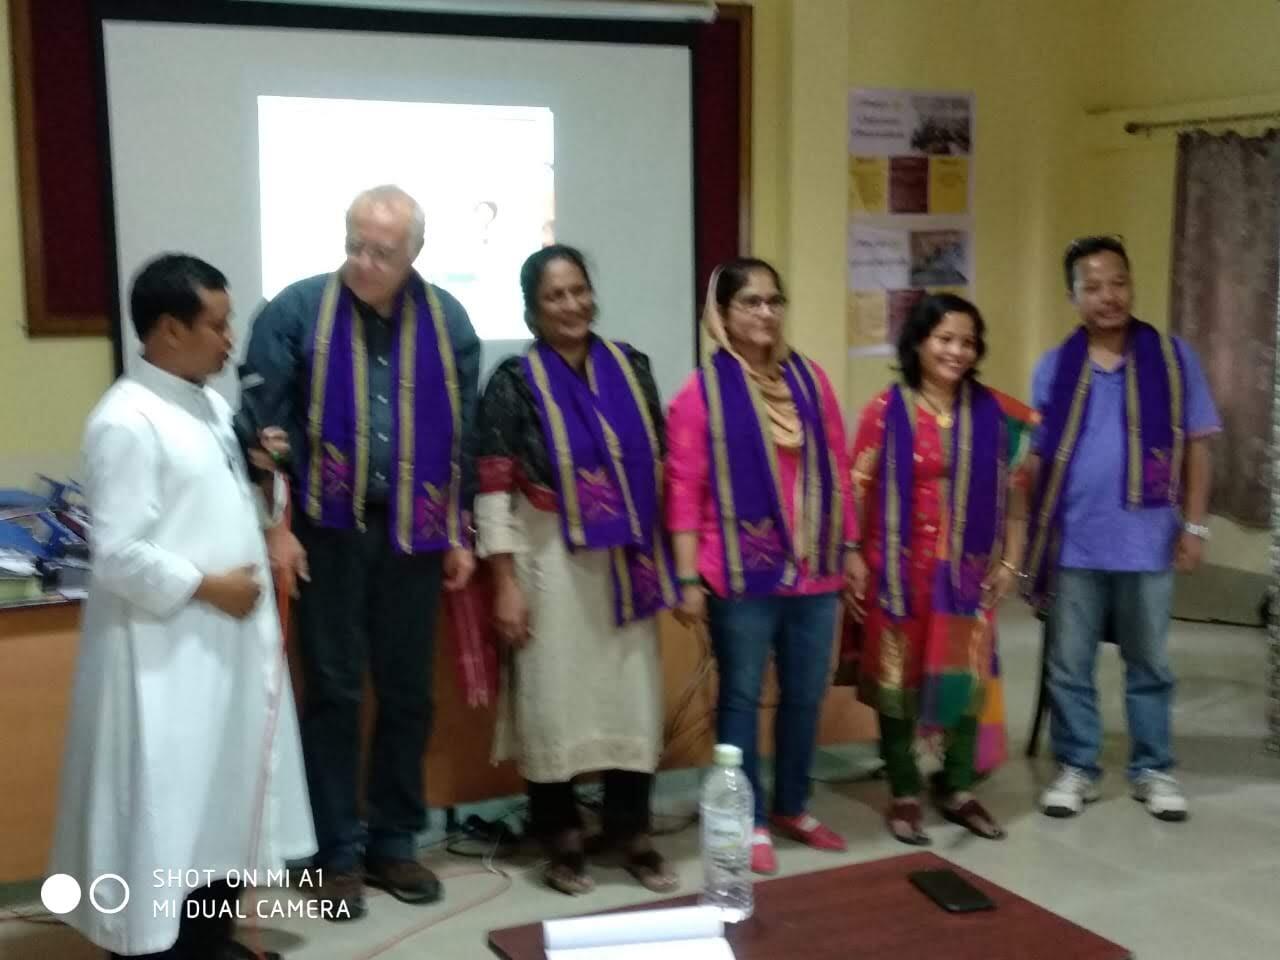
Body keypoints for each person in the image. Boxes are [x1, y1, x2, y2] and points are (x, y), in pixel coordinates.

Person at [49, 254, 315, 959]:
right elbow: (116, 553)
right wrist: (208, 586)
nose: (231, 340)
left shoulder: (210, 405)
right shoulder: (126, 421)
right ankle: (154, 945)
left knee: (218, 799)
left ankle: (207, 936)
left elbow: (222, 502)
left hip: (221, 648)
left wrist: (263, 473)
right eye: (218, 325)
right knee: (168, 804)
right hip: (162, 656)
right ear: (169, 328)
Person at [239, 185, 479, 917]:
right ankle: (335, 851)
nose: (364, 263)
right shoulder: (296, 311)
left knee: (407, 691)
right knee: (335, 691)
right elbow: (262, 432)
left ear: (415, 253)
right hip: (325, 529)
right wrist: (276, 528)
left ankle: (395, 841)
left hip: (416, 532)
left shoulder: (448, 320)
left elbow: (462, 435)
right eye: (355, 246)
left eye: (383, 252)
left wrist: (459, 530)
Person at [473, 245, 678, 896]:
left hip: (625, 564)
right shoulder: (513, 382)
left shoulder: (632, 368)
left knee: (631, 698)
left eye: (579, 290)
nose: (572, 305)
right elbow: (492, 486)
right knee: (552, 701)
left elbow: (660, 462)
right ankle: (559, 838)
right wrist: (504, 582)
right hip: (547, 562)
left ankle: (630, 831)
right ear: (532, 310)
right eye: (555, 295)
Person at [665, 257, 863, 876]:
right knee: (742, 696)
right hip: (739, 574)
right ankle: (744, 817)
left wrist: (851, 548)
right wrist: (687, 577)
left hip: (814, 570)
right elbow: (683, 488)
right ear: (721, 314)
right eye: (750, 302)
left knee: (805, 693)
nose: (766, 312)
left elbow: (837, 467)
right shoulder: (702, 392)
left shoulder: (810, 381)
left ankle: (793, 805)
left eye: (774, 300)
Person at [1027, 235, 1221, 822]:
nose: (1108, 296)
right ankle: (1078, 766)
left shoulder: (1172, 359)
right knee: (1069, 664)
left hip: (1148, 542)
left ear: (1131, 286)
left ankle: (1153, 768)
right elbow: (1037, 455)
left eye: (1118, 283)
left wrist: (1195, 526)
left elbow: (1198, 447)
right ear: (1073, 297)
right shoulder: (1055, 367)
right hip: (1072, 543)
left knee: (1149, 662)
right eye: (1093, 287)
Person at [845, 293, 1037, 846]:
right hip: (897, 574)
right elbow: (854, 489)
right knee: (896, 680)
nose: (957, 351)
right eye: (945, 339)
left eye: (968, 342)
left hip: (966, 576)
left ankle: (956, 787)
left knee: (966, 676)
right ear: (919, 343)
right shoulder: (885, 411)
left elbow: (1016, 499)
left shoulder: (997, 416)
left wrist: (1011, 561)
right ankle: (905, 791)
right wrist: (851, 554)